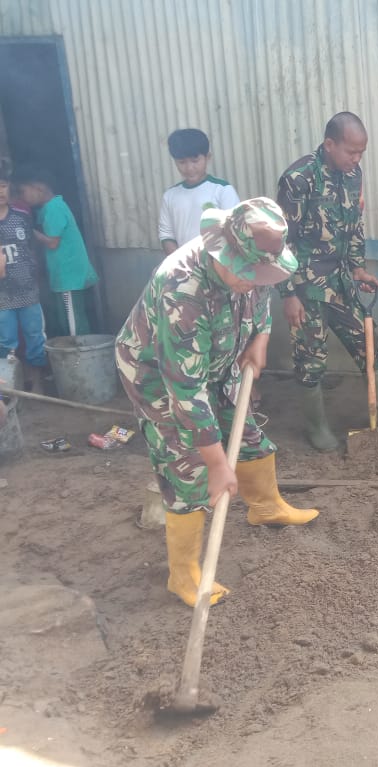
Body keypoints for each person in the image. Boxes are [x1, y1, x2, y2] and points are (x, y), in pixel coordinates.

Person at [116, 197, 319, 608]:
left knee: (246, 432)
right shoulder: (182, 289)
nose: (253, 279)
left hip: (217, 359)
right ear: (221, 252)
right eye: (245, 272)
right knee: (186, 461)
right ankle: (185, 575)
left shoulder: (254, 266)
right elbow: (186, 393)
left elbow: (259, 296)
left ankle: (265, 506)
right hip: (161, 377)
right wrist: (215, 464)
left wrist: (260, 339)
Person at [276, 111, 378, 451]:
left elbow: (354, 223)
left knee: (369, 342)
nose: (357, 159)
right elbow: (280, 242)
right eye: (351, 152)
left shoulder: (352, 174)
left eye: (362, 152)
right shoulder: (298, 179)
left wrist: (358, 268)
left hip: (342, 281)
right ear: (329, 144)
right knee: (311, 359)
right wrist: (288, 294)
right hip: (306, 287)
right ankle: (317, 428)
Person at [13, 165, 98, 337]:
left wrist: (29, 230)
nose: (23, 197)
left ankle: (80, 356)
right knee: (67, 319)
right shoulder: (49, 208)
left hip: (69, 276)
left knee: (73, 322)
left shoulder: (54, 208)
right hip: (63, 276)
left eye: (23, 191)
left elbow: (52, 243)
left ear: (39, 188)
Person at [0, 160, 46, 391]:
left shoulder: (21, 216)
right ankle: (10, 389)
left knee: (34, 338)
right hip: (2, 296)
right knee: (6, 342)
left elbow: (30, 250)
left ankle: (35, 383)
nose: (0, 191)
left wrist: (33, 277)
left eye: (3, 185)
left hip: (28, 291)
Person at [159, 128, 240, 255]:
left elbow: (236, 231)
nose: (189, 168)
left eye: (195, 161)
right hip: (186, 269)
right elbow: (166, 234)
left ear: (207, 157)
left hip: (220, 266)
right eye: (182, 162)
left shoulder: (222, 190)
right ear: (174, 161)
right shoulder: (170, 196)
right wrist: (180, 264)